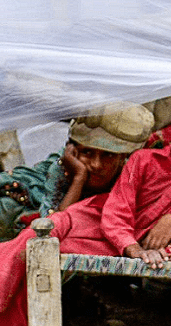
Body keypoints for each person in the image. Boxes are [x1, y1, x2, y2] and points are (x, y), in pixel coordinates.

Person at [0, 93, 171, 326]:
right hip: (94, 221)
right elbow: (116, 213)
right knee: (32, 245)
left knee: (45, 262)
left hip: (109, 246)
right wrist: (132, 248)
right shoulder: (144, 160)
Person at [0, 102, 155, 240]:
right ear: (72, 152)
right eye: (87, 152)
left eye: (108, 155)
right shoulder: (61, 168)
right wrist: (79, 178)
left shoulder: (130, 173)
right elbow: (51, 228)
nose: (96, 165)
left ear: (122, 158)